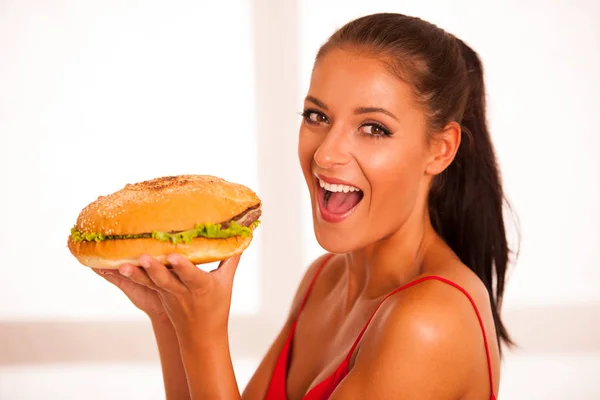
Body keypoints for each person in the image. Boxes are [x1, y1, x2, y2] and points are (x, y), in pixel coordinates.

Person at [95, 12, 516, 400]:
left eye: (373, 128)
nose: (326, 154)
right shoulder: (325, 279)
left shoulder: (429, 323)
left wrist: (205, 338)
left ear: (440, 150)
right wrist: (171, 319)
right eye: (317, 117)